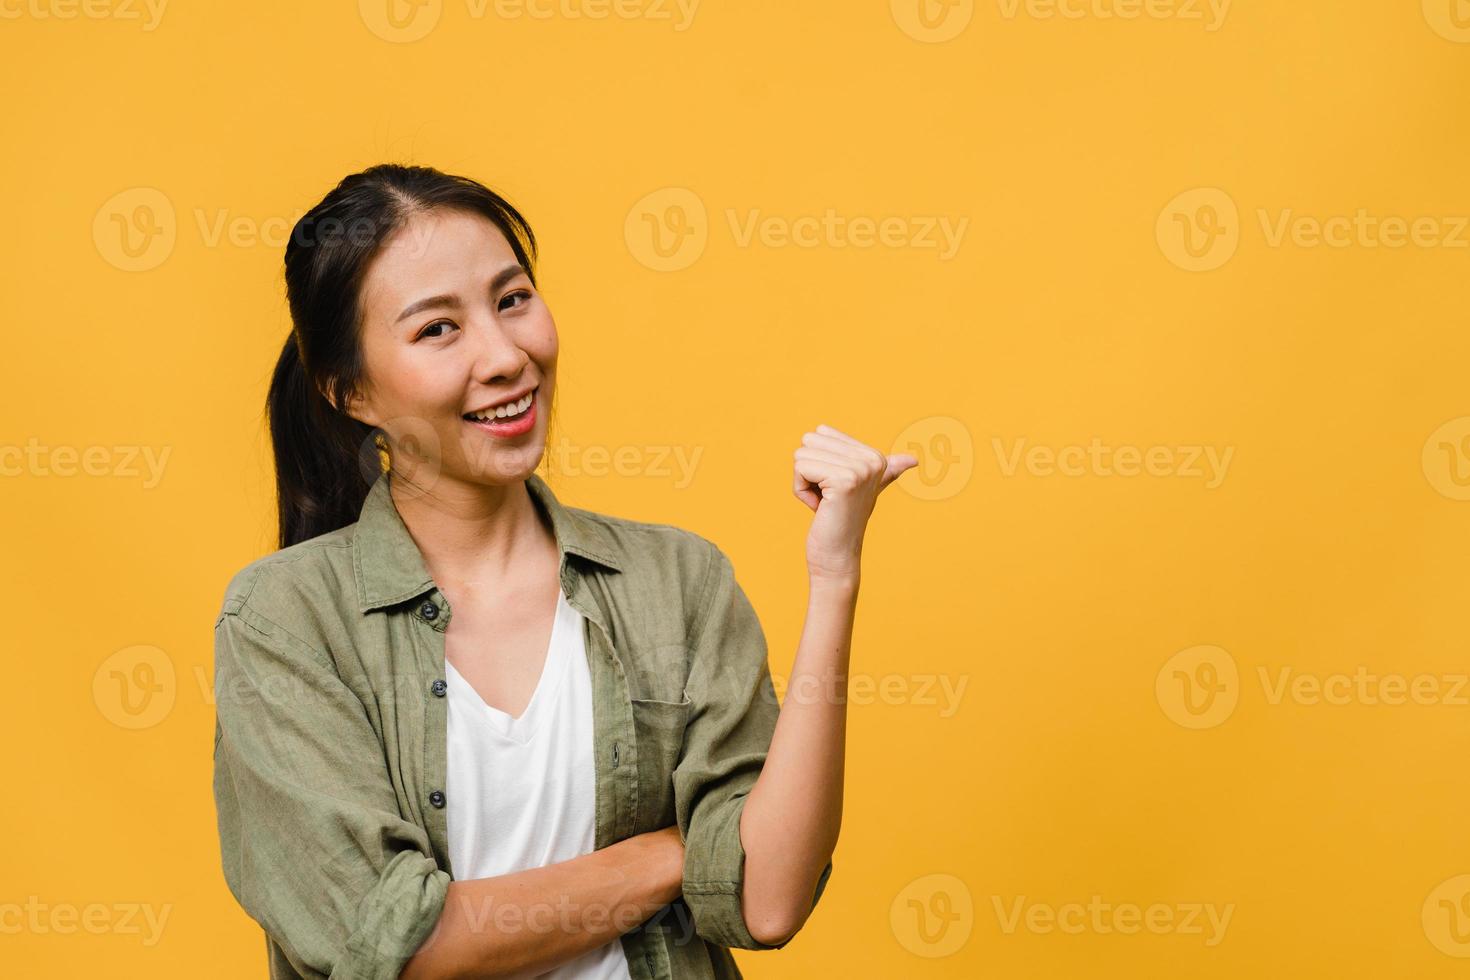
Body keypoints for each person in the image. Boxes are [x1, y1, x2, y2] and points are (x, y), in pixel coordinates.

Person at [210, 163, 916, 979]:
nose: (507, 356)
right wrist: (669, 855)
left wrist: (834, 579)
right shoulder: (285, 621)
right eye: (438, 329)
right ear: (352, 392)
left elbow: (765, 896)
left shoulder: (676, 582)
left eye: (512, 300)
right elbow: (396, 945)